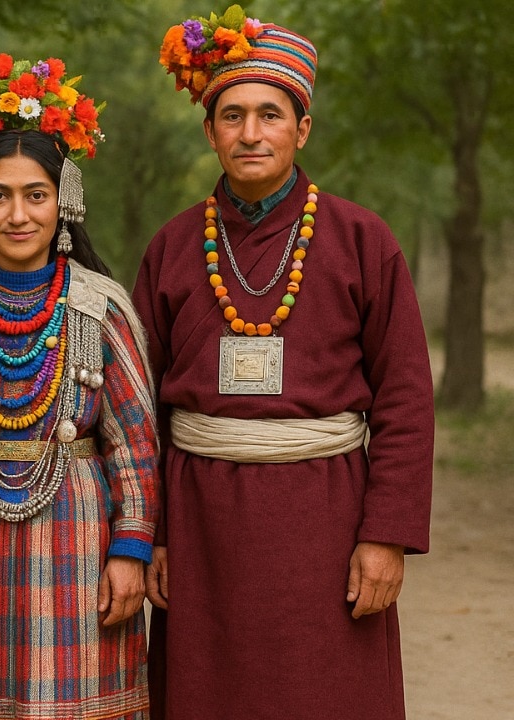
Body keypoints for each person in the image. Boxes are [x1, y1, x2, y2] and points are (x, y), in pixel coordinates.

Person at [135, 6, 434, 719]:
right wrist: (153, 535)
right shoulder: (173, 248)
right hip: (202, 525)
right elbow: (139, 411)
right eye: (231, 115)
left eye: (270, 115)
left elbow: (405, 400)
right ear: (210, 132)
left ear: (301, 130)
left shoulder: (365, 241)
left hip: (326, 520)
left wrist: (385, 537)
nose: (250, 132)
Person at [0, 54, 159, 720]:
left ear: (64, 202)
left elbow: (134, 446)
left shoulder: (101, 310)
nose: (18, 214)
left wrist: (130, 550)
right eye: (0, 195)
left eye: (35, 195)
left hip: (78, 543)